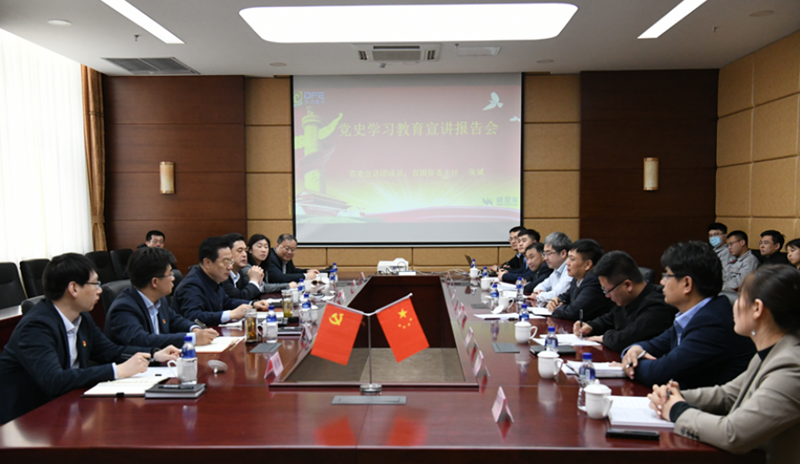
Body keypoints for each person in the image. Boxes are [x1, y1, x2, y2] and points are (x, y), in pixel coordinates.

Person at [0, 253, 180, 425]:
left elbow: (110, 351)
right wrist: (116, 371)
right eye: (95, 284)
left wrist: (154, 355)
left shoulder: (82, 318)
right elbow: (53, 380)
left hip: (67, 408)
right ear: (74, 288)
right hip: (26, 421)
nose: (99, 290)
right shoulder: (36, 327)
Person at [648, 265, 800, 464]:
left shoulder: (791, 366)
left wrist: (677, 410)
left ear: (757, 308)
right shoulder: (772, 352)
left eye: (740, 298)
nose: (733, 306)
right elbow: (728, 394)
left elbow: (733, 433)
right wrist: (673, 395)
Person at [621, 241, 755, 389]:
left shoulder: (712, 323)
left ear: (687, 284)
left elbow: (658, 373)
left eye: (667, 275)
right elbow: (654, 345)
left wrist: (631, 363)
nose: (662, 282)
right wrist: (633, 350)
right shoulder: (693, 315)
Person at [105, 247, 219, 348]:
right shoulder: (124, 308)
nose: (173, 278)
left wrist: (194, 328)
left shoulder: (159, 299)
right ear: (154, 282)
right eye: (170, 274)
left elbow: (174, 320)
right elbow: (142, 340)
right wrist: (191, 338)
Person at [573, 251, 677, 352]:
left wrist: (604, 338)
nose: (607, 296)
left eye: (607, 291)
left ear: (627, 285)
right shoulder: (626, 299)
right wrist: (591, 326)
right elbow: (609, 319)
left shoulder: (658, 306)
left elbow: (624, 340)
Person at [174, 236, 267, 326]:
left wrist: (252, 304)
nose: (230, 267)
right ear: (207, 263)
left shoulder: (215, 277)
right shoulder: (191, 285)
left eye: (231, 261)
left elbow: (226, 302)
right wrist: (231, 314)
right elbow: (193, 316)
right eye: (225, 261)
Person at [548, 239, 614, 321]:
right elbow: (565, 296)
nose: (567, 263)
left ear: (587, 264)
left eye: (572, 259)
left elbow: (573, 312)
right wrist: (556, 301)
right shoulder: (578, 278)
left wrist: (557, 308)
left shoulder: (594, 281)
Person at [222, 233, 294, 299]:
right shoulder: (225, 276)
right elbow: (240, 297)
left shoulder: (239, 273)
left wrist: (253, 303)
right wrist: (254, 281)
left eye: (266, 247)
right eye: (240, 251)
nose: (244, 254)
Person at [530, 232, 573, 307]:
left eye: (548, 253)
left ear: (563, 253)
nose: (545, 258)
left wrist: (538, 295)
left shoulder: (570, 269)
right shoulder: (557, 270)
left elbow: (556, 294)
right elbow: (542, 285)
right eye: (544, 254)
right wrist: (538, 293)